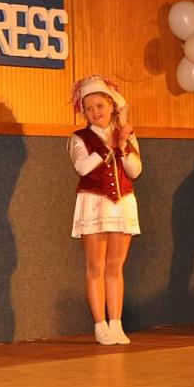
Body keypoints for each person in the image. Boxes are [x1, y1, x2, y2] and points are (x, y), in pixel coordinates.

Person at [68, 75, 142, 345]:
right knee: (95, 267)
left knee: (115, 266)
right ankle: (100, 324)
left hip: (122, 204)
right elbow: (82, 167)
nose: (95, 112)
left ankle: (116, 323)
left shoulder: (126, 134)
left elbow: (135, 171)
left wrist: (122, 148)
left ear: (111, 106)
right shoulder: (79, 138)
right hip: (94, 203)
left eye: (100, 106)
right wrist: (107, 147)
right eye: (89, 108)